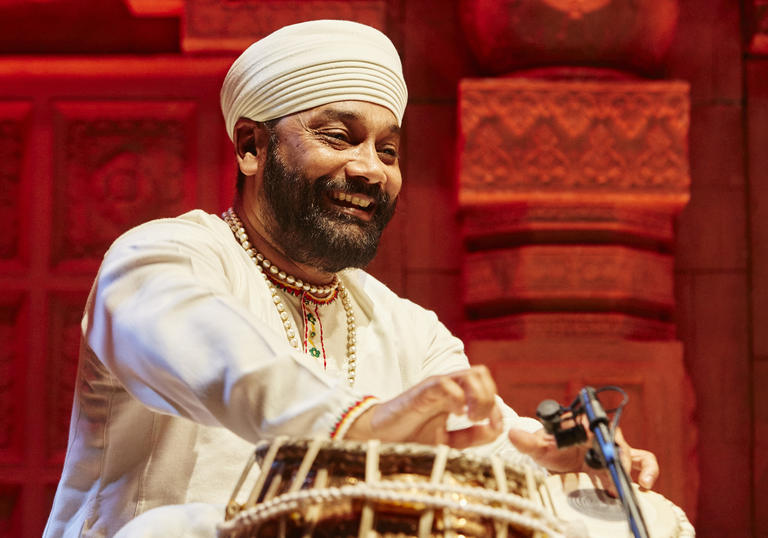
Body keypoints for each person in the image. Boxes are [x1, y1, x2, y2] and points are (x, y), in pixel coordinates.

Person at [44, 19, 658, 537]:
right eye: (339, 138)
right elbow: (222, 360)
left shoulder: (405, 328)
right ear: (252, 146)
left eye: (388, 151)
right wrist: (354, 426)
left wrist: (556, 459)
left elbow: (481, 440)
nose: (370, 170)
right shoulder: (160, 259)